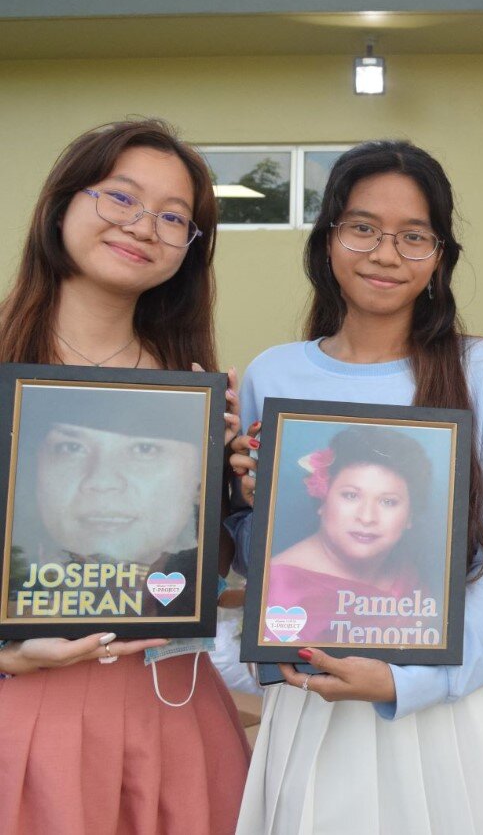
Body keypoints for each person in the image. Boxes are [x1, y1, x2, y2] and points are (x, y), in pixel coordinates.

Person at [228, 140, 483, 834]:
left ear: (440, 256)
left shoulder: (482, 369)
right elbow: (264, 563)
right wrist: (253, 507)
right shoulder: (273, 374)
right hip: (310, 687)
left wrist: (410, 682)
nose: (385, 253)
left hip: (441, 697)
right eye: (363, 228)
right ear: (328, 241)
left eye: (413, 236)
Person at [0, 119, 249, 834]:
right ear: (61, 207)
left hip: (171, 708)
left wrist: (222, 491)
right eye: (121, 198)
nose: (145, 226)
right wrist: (10, 655)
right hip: (23, 714)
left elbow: (210, 579)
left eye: (175, 218)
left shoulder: (191, 390)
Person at [8, 387, 207, 620]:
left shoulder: (202, 588)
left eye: (144, 449)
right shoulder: (16, 587)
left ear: (201, 477)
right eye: (71, 448)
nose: (102, 481)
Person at [264, 424, 445, 644]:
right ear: (322, 498)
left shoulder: (406, 569)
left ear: (410, 515)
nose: (367, 517)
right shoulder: (278, 588)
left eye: (388, 502)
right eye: (350, 496)